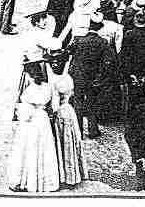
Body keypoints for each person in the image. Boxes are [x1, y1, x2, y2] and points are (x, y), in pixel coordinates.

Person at [8, 55, 60, 192]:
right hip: (43, 120)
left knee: (28, 148)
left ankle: (27, 180)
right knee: (44, 148)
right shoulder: (49, 87)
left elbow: (24, 113)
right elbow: (54, 107)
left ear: (29, 75)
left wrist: (20, 114)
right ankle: (45, 181)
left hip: (31, 121)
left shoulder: (29, 90)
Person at [46, 50, 86, 188]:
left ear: (63, 63)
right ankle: (71, 172)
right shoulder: (68, 77)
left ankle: (63, 174)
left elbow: (54, 104)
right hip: (69, 111)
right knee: (69, 141)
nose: (54, 65)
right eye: (53, 63)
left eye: (58, 62)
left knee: (61, 141)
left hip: (60, 113)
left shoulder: (55, 81)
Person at [67, 13, 109, 139]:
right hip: (92, 77)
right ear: (100, 28)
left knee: (77, 101)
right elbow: (107, 62)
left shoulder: (78, 39)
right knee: (91, 102)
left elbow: (69, 51)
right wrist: (100, 76)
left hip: (77, 75)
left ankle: (77, 130)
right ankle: (93, 130)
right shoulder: (102, 42)